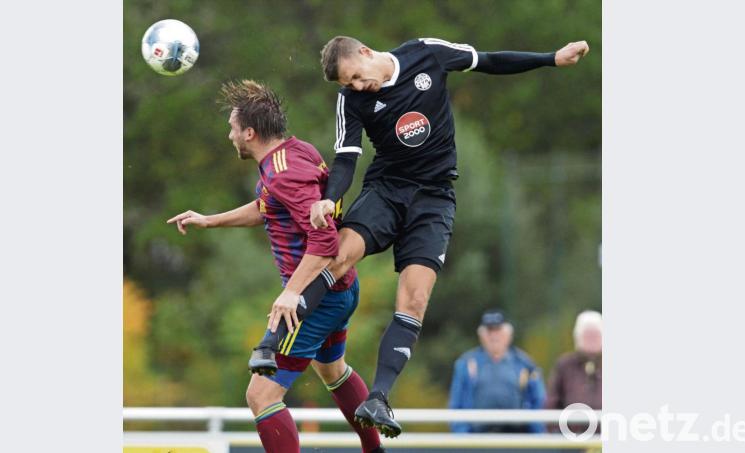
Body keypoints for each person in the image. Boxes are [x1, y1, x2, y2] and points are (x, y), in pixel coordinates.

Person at [249, 34, 588, 437]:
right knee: (338, 256)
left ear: (366, 53)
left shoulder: (426, 54)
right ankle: (270, 342)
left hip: (434, 198)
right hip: (387, 190)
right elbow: (345, 159)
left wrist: (552, 58)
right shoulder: (351, 101)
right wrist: (329, 199)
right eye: (348, 84)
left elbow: (489, 60)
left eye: (356, 77)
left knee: (415, 298)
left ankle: (378, 398)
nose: (357, 87)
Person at [167, 80, 383, 453]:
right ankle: (374, 450)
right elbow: (268, 207)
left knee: (261, 395)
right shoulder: (292, 154)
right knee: (332, 370)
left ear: (249, 133)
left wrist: (292, 292)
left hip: (318, 299)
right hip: (340, 288)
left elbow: (325, 240)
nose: (229, 135)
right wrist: (209, 220)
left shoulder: (283, 173)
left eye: (233, 128)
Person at [448, 310, 546, 433]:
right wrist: (464, 440)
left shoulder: (526, 365)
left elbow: (538, 402)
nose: (494, 336)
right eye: (489, 331)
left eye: (498, 330)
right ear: (481, 335)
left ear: (508, 334)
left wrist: (535, 441)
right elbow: (456, 405)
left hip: (517, 438)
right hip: (477, 438)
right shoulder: (465, 364)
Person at [546, 310, 602, 434]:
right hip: (570, 439)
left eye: (596, 335)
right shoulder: (564, 365)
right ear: (577, 337)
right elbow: (552, 403)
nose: (591, 339)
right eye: (587, 335)